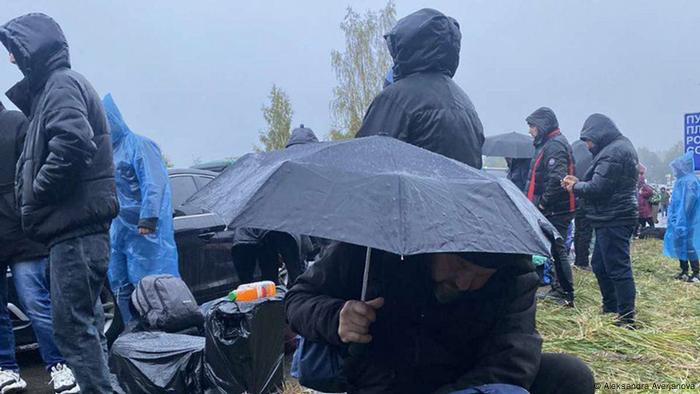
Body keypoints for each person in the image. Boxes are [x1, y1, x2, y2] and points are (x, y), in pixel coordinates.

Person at [286, 242, 595, 394]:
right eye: (459, 265)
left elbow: (511, 363)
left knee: (570, 375)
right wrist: (334, 316)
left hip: (462, 383)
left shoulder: (515, 275)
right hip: (383, 381)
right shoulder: (371, 249)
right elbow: (297, 299)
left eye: (480, 276)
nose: (464, 283)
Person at [1, 13, 119, 392]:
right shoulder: (53, 88)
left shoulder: (61, 85)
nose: (10, 60)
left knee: (72, 332)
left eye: (14, 51)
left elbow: (72, 143)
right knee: (84, 329)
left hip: (75, 232)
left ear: (32, 50)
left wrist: (36, 191)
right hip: (74, 232)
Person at [0, 101, 79, 393]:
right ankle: (6, 368)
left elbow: (34, 168)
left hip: (23, 232)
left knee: (35, 301)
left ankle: (59, 365)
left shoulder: (15, 121)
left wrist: (31, 209)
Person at [356, 8, 485, 169]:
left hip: (405, 194)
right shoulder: (465, 104)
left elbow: (364, 163)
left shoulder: (396, 98)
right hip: (454, 194)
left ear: (407, 47)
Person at [103, 94, 179, 323]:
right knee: (120, 285)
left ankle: (162, 335)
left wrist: (148, 218)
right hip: (118, 232)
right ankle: (133, 337)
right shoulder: (106, 153)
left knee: (152, 287)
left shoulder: (139, 145)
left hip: (145, 234)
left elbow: (153, 182)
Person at [563, 114, 639, 327]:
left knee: (618, 267)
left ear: (599, 135)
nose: (587, 145)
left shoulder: (614, 152)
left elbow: (598, 188)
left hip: (615, 217)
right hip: (611, 215)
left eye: (588, 140)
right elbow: (602, 182)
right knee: (600, 263)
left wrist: (574, 186)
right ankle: (611, 306)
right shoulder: (617, 148)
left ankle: (626, 318)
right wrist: (580, 182)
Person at [232, 125, 319, 286]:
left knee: (255, 288)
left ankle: (271, 307)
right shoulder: (304, 172)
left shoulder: (275, 167)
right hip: (277, 230)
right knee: (297, 280)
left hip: (245, 236)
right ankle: (288, 306)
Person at [524, 107, 576, 306]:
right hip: (553, 208)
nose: (530, 131)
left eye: (532, 126)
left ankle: (565, 292)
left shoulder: (555, 146)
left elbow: (556, 180)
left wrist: (543, 204)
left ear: (542, 126)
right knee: (554, 249)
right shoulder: (548, 144)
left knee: (557, 249)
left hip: (556, 209)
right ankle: (559, 288)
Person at [663, 152, 700, 283]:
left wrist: (682, 219)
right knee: (679, 243)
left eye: (677, 168)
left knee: (689, 244)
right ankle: (684, 270)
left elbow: (689, 202)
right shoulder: (681, 180)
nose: (675, 171)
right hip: (679, 220)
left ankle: (696, 273)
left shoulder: (690, 181)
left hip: (687, 221)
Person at [572, 140, 593, 270]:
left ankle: (578, 260)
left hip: (577, 198)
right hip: (588, 199)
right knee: (585, 231)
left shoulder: (575, 152)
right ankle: (582, 261)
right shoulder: (592, 157)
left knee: (578, 230)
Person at [636, 164, 655, 236]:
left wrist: (642, 193)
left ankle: (651, 234)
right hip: (641, 210)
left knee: (649, 222)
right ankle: (642, 235)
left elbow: (650, 191)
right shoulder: (638, 188)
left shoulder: (643, 187)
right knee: (642, 223)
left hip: (645, 210)